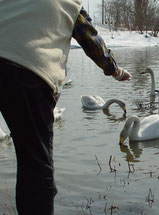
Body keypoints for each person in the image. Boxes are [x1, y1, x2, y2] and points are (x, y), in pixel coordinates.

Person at [0, 1, 131, 214]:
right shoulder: (69, 3)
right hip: (27, 69)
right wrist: (115, 70)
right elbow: (92, 42)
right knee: (35, 165)